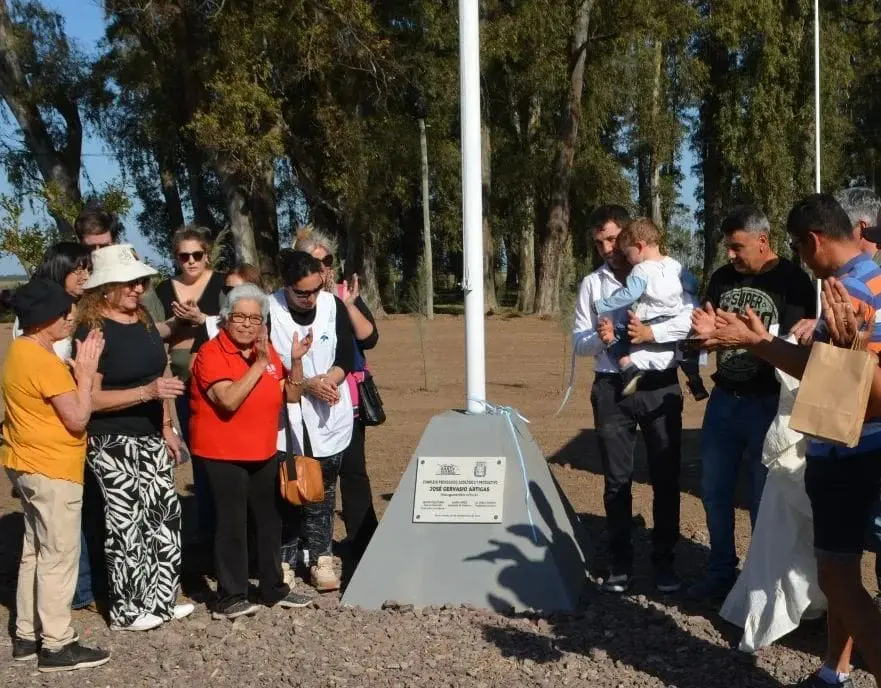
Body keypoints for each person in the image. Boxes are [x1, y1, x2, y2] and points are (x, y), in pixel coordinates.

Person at [692, 194, 881, 688]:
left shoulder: (852, 291)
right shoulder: (873, 278)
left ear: (814, 240)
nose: (800, 256)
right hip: (856, 449)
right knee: (847, 574)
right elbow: (828, 369)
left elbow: (840, 382)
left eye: (798, 246)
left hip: (850, 452)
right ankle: (832, 672)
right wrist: (758, 339)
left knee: (837, 578)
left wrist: (755, 342)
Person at [687, 206, 816, 602]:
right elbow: (705, 333)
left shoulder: (794, 283)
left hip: (769, 406)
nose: (730, 255)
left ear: (763, 241)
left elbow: (791, 345)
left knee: (765, 502)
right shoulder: (723, 279)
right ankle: (721, 572)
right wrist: (702, 339)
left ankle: (760, 587)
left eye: (737, 246)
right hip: (725, 399)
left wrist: (739, 336)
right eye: (728, 246)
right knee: (714, 491)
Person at [573, 204, 692, 594]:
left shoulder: (672, 271)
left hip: (659, 384)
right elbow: (579, 339)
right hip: (612, 388)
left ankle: (665, 564)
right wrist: (603, 338)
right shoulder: (594, 284)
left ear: (630, 238)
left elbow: (689, 321)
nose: (606, 248)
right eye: (599, 243)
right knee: (617, 479)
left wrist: (650, 335)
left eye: (611, 238)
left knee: (666, 476)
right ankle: (620, 562)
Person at [74, 244, 193, 631]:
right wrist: (147, 395)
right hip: (110, 441)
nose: (138, 289)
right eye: (128, 283)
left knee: (163, 517)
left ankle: (160, 600)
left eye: (140, 282)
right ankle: (127, 610)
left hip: (151, 436)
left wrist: (166, 427)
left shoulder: (142, 321)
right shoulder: (92, 330)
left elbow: (157, 378)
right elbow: (89, 398)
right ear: (105, 287)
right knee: (126, 525)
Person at [2, 278, 111, 672]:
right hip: (52, 468)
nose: (71, 319)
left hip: (25, 464)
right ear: (44, 319)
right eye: (65, 314)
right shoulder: (43, 361)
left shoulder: (18, 352)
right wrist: (85, 373)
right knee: (59, 556)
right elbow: (79, 418)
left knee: (35, 550)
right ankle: (58, 643)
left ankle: (28, 634)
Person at [190, 284, 312, 618]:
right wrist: (258, 365)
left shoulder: (267, 351)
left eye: (255, 319)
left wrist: (296, 363)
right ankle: (231, 595)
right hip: (223, 452)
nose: (247, 324)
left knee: (270, 521)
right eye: (240, 317)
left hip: (262, 450)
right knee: (232, 523)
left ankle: (273, 588)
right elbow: (228, 400)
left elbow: (290, 395)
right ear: (226, 319)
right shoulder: (211, 355)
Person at [269, 250, 355, 592]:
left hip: (328, 414)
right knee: (287, 491)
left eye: (315, 291)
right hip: (283, 416)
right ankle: (285, 560)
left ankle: (321, 557)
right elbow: (265, 364)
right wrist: (306, 384)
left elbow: (346, 354)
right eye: (301, 293)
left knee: (322, 491)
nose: (309, 299)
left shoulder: (333, 306)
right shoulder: (268, 309)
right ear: (286, 286)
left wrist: (328, 380)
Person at [293, 228, 379, 569]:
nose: (322, 267)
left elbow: (369, 339)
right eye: (314, 261)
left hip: (350, 399)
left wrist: (348, 305)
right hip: (305, 400)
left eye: (326, 261)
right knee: (310, 474)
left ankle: (363, 540)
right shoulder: (293, 297)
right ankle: (310, 544)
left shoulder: (346, 293)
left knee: (354, 472)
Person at [143, 225, 226, 550]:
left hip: (221, 380)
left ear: (207, 254)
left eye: (197, 255)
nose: (190, 262)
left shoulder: (222, 284)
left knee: (222, 456)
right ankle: (207, 531)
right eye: (183, 256)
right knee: (200, 458)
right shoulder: (164, 290)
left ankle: (227, 528)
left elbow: (237, 322)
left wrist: (202, 317)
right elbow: (152, 332)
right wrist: (178, 323)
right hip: (183, 387)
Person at [595, 218, 700, 397]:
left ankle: (628, 368)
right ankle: (694, 378)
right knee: (685, 349)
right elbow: (692, 286)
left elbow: (630, 295)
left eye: (628, 254)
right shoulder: (675, 265)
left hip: (648, 320)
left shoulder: (641, 270)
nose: (628, 260)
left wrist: (602, 304)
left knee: (616, 338)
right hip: (673, 317)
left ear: (640, 246)